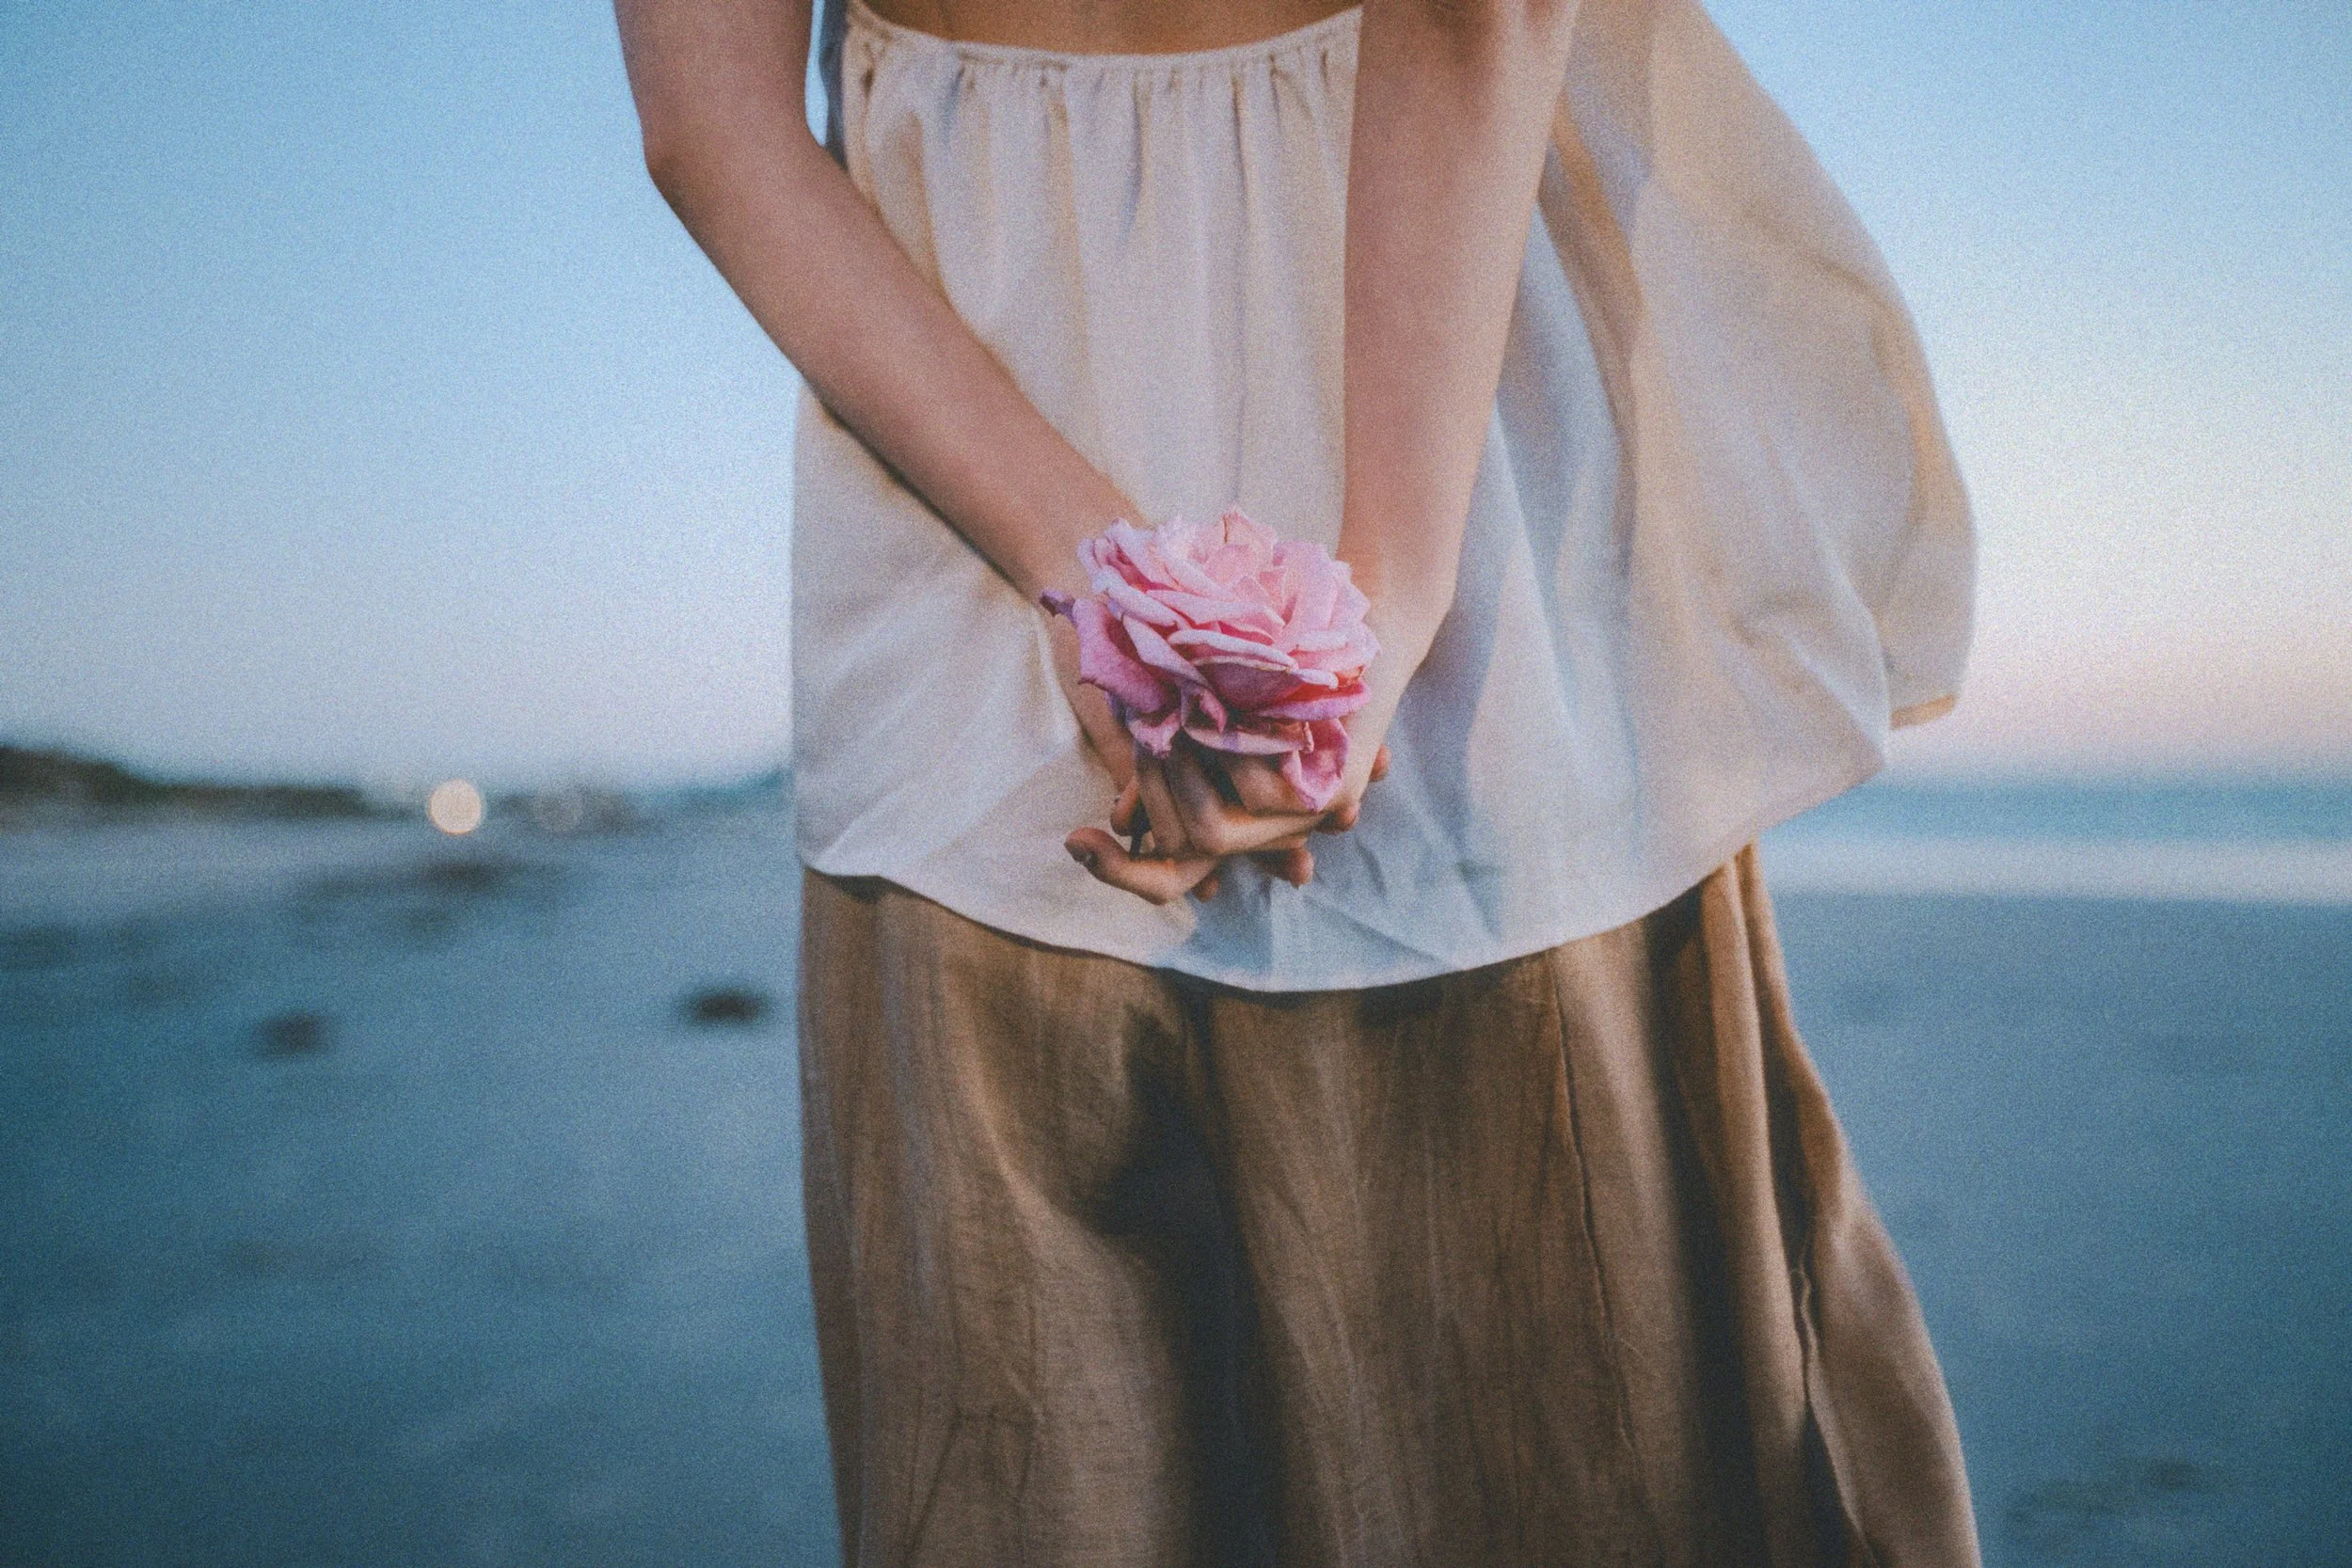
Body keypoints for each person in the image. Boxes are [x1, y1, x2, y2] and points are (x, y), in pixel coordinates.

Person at [617, 0, 1982, 1560]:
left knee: (1034, 1478)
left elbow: (706, 129)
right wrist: (1380, 594)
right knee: (1574, 1453)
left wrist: (1100, 586)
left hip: (961, 653)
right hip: (1457, 529)